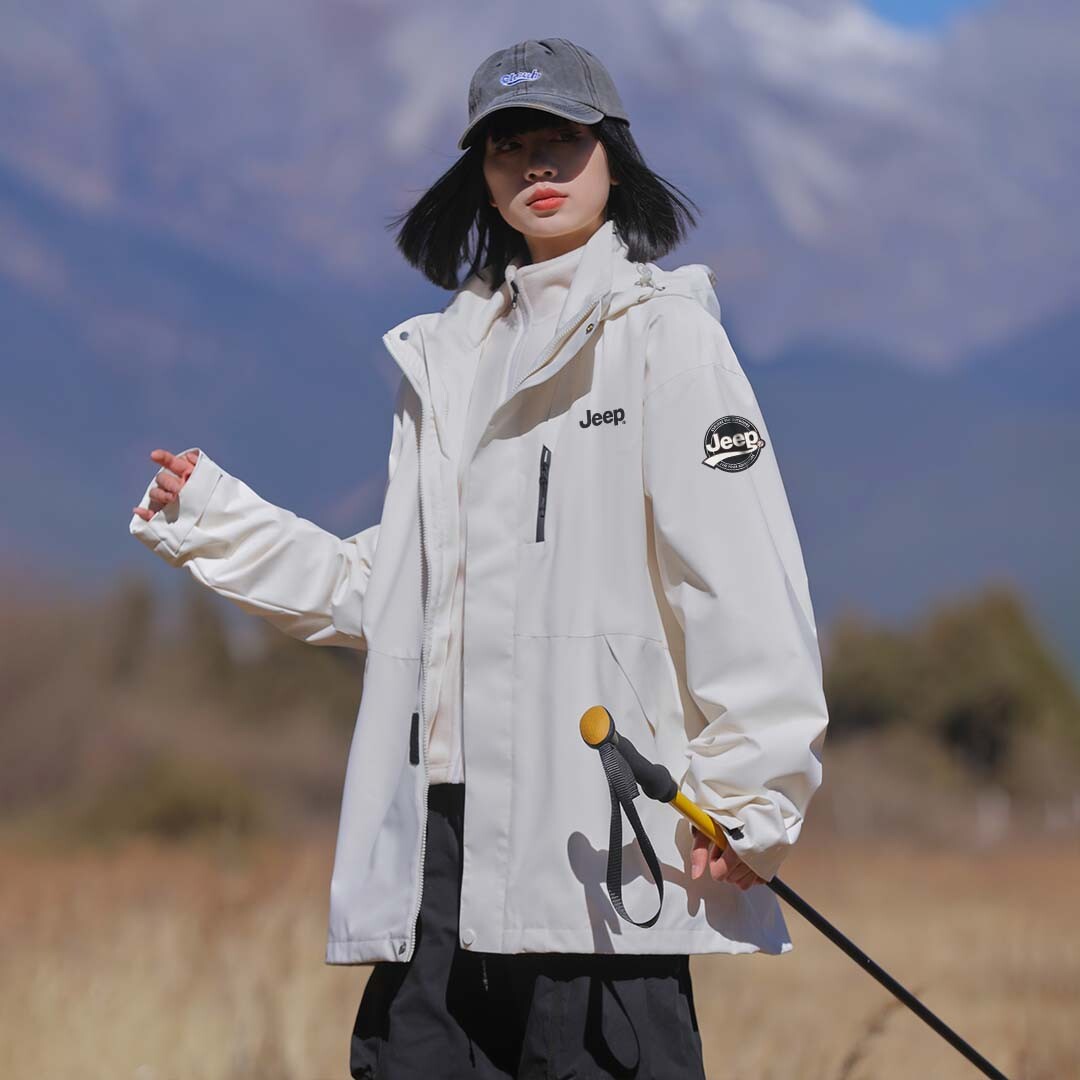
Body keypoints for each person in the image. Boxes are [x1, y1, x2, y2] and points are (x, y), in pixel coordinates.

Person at [129, 37, 828, 1079]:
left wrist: (754, 795)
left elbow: (742, 581)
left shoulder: (668, 340)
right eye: (509, 146)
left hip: (597, 844)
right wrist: (216, 518)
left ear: (613, 154)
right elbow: (394, 594)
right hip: (436, 852)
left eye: (562, 139)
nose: (537, 165)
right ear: (482, 177)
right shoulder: (444, 361)